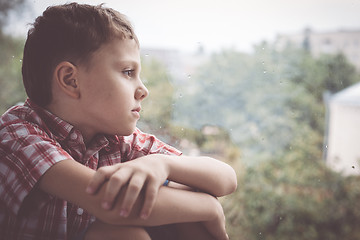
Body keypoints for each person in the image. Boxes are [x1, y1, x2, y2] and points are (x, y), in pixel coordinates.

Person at [0, 2, 237, 240]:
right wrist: (209, 208)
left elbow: (225, 178)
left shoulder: (116, 141)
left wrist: (161, 164)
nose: (143, 90)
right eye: (127, 72)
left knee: (175, 194)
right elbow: (109, 204)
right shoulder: (17, 134)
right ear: (71, 80)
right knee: (122, 234)